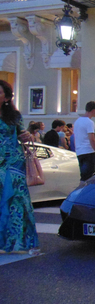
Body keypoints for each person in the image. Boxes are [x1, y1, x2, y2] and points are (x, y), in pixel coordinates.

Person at [0, 80, 40, 255]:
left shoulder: (15, 116)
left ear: (7, 97)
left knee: (18, 201)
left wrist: (26, 135)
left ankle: (22, 242)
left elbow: (23, 135)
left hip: (14, 162)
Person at [74, 101, 95, 182]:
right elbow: (92, 139)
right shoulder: (89, 122)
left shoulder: (77, 121)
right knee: (88, 177)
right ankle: (82, 193)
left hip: (80, 151)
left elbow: (75, 137)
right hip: (88, 151)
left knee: (84, 175)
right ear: (94, 110)